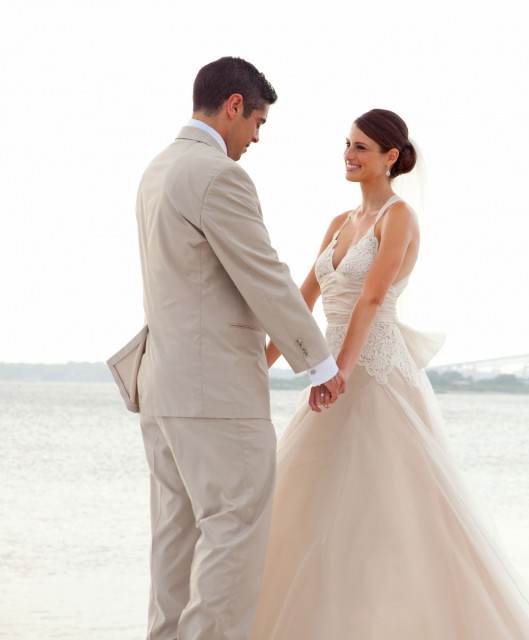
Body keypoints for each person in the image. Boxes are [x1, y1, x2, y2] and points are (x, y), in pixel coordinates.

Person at [250, 109, 529, 639]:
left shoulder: (399, 218)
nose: (349, 153)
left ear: (391, 157)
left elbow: (370, 298)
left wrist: (338, 372)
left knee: (388, 513)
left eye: (362, 147)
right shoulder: (338, 224)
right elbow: (302, 302)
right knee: (308, 510)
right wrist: (261, 363)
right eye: (347, 144)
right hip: (331, 373)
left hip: (375, 375)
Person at [110, 57, 345, 640]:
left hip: (162, 388)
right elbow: (263, 274)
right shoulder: (219, 174)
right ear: (234, 105)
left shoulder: (157, 170)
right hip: (215, 393)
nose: (257, 138)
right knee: (234, 531)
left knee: (175, 540)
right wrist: (318, 362)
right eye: (258, 122)